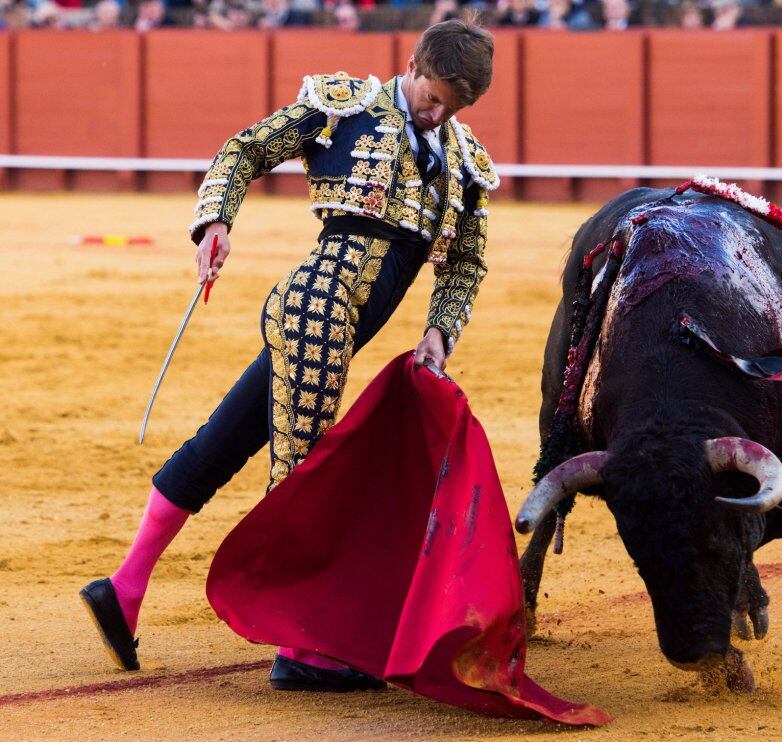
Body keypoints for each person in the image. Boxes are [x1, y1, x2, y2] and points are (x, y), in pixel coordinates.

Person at [80, 18, 498, 693]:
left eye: (456, 105)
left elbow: (467, 262)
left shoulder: (464, 162)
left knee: (222, 442)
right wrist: (216, 219)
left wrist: (439, 332)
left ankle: (124, 587)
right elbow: (246, 149)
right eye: (434, 94)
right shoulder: (348, 105)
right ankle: (300, 648)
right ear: (413, 62)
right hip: (315, 311)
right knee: (306, 478)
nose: (440, 111)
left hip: (339, 327)